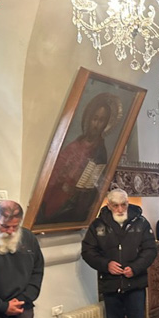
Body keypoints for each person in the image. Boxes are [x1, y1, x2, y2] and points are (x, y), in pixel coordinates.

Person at [81, 189, 157, 318]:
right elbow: (88, 252)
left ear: (128, 203)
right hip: (110, 284)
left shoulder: (140, 223)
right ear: (109, 206)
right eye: (116, 205)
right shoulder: (98, 225)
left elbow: (150, 250)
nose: (120, 209)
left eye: (124, 204)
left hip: (135, 283)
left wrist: (135, 268)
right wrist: (106, 264)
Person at [35, 92, 122, 225]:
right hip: (56, 194)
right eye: (95, 118)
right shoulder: (75, 145)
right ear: (89, 119)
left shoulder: (100, 152)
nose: (96, 124)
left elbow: (95, 185)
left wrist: (77, 190)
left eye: (101, 120)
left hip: (74, 203)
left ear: (105, 124)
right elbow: (55, 171)